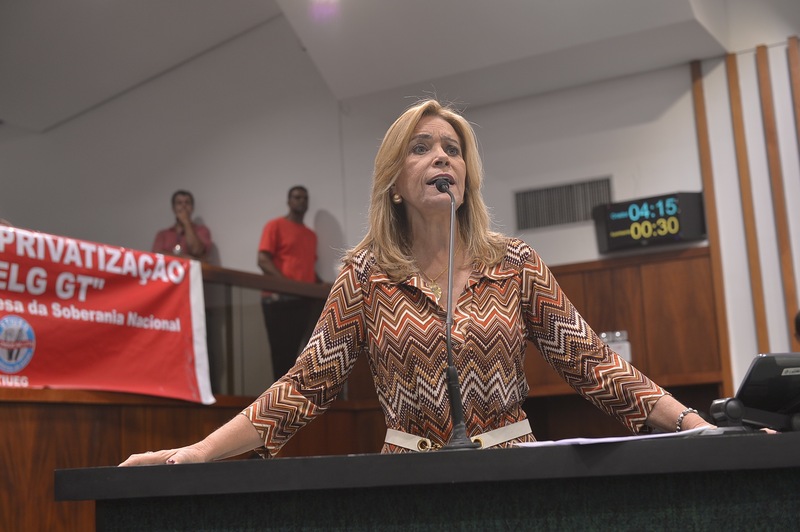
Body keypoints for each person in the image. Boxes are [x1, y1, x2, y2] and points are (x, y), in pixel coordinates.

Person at [121, 99, 716, 466]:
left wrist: (696, 425)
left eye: (453, 149)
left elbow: (592, 362)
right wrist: (199, 452)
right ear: (395, 184)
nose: (442, 157)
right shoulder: (364, 275)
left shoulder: (515, 263)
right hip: (408, 478)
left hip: (515, 471)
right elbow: (305, 385)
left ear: (467, 176)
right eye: (422, 148)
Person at [257, 186, 324, 380]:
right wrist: (287, 286)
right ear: (288, 201)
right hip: (278, 300)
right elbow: (263, 260)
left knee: (299, 356)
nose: (301, 201)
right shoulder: (275, 225)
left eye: (305, 198)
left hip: (303, 301)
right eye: (297, 197)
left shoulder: (310, 235)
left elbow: (306, 268)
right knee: (281, 355)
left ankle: (291, 395)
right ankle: (279, 398)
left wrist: (323, 286)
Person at [151, 190, 212, 261]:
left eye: (187, 202)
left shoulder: (202, 230)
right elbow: (156, 255)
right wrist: (185, 258)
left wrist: (186, 222)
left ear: (192, 208)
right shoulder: (162, 234)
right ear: (173, 208)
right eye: (179, 203)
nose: (183, 206)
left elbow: (196, 250)